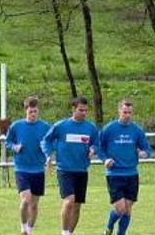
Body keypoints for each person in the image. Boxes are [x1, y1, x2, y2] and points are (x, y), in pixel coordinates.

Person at [42, 96, 99, 235]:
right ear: (73, 109)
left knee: (77, 206)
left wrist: (93, 149)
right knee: (69, 201)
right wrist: (48, 155)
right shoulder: (61, 126)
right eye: (81, 110)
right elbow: (46, 141)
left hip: (82, 170)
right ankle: (64, 232)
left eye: (86, 110)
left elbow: (96, 143)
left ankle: (70, 233)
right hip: (65, 170)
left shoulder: (91, 128)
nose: (84, 113)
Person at [97, 99, 151, 235]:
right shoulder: (109, 129)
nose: (127, 115)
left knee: (128, 209)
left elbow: (146, 147)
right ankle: (109, 227)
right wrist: (105, 159)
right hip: (114, 174)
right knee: (120, 209)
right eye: (125, 112)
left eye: (130, 113)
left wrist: (144, 152)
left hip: (132, 174)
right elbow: (98, 147)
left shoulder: (137, 130)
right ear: (119, 111)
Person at [5, 96, 50, 235]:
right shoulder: (16, 126)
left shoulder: (45, 127)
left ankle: (29, 231)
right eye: (30, 111)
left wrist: (48, 155)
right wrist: (15, 147)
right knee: (26, 199)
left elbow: (51, 142)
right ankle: (23, 227)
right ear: (25, 110)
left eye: (35, 111)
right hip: (22, 168)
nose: (33, 114)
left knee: (34, 204)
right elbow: (7, 142)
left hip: (38, 169)